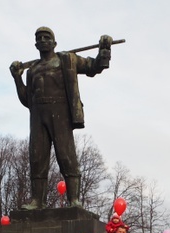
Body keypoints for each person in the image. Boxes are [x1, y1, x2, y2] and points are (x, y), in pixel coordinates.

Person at [10, 27, 113, 208]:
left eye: (46, 37)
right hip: (38, 115)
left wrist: (104, 50)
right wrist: (17, 78)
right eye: (39, 38)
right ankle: (37, 201)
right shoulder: (32, 70)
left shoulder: (67, 60)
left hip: (60, 112)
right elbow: (27, 99)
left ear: (54, 43)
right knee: (37, 157)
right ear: (35, 44)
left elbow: (94, 67)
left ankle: (73, 199)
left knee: (66, 155)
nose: (42, 40)